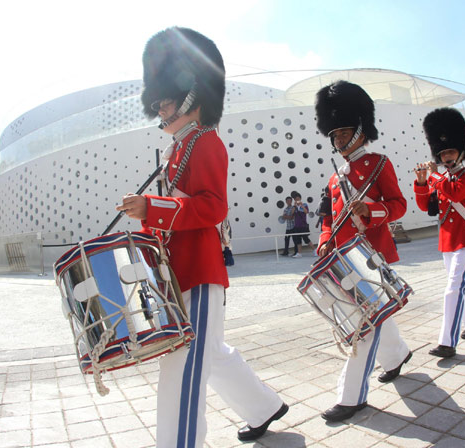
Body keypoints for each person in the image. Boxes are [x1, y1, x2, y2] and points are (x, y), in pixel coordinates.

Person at [115, 27, 287, 447]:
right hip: (178, 275)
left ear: (191, 96)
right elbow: (173, 217)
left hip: (201, 272)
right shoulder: (176, 150)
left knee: (181, 370)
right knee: (209, 355)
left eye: (165, 99)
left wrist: (152, 207)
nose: (160, 108)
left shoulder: (206, 141)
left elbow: (213, 208)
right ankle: (264, 407)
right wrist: (146, 221)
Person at [314, 80, 412, 422]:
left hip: (370, 254)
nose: (339, 140)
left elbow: (398, 205)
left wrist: (372, 211)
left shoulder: (379, 163)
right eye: (335, 135)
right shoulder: (333, 177)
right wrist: (325, 237)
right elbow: (328, 216)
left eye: (344, 133)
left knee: (362, 325)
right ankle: (397, 355)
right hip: (342, 258)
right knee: (372, 316)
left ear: (360, 130)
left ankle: (351, 395)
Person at [414, 108, 465, 358]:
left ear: (461, 152)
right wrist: (422, 183)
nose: (446, 156)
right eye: (442, 153)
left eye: (450, 151)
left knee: (453, 287)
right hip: (446, 241)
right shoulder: (439, 178)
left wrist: (433, 176)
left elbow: (454, 194)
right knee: (461, 285)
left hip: (464, 238)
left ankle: (447, 342)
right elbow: (427, 207)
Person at [291, 192, 316, 257]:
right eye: (296, 199)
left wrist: (301, 205)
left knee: (306, 238)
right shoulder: (294, 206)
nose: (297, 200)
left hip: (303, 225)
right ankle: (299, 253)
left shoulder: (305, 204)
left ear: (300, 198)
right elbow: (292, 213)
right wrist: (294, 206)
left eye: (298, 199)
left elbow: (306, 212)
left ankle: (314, 250)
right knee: (298, 240)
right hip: (297, 225)